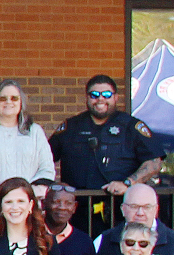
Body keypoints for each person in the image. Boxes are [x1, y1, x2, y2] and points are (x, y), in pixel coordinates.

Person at [49, 74, 163, 231]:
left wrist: (128, 183)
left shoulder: (131, 126)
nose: (100, 99)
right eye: (94, 95)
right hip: (76, 210)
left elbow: (154, 162)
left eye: (107, 94)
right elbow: (46, 158)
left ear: (116, 97)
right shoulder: (71, 127)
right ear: (87, 98)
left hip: (117, 211)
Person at [0, 79, 54, 194]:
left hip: (28, 202)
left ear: (21, 102)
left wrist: (27, 191)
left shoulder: (35, 131)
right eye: (3, 98)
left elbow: (47, 169)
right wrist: (2, 191)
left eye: (14, 98)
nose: (8, 102)